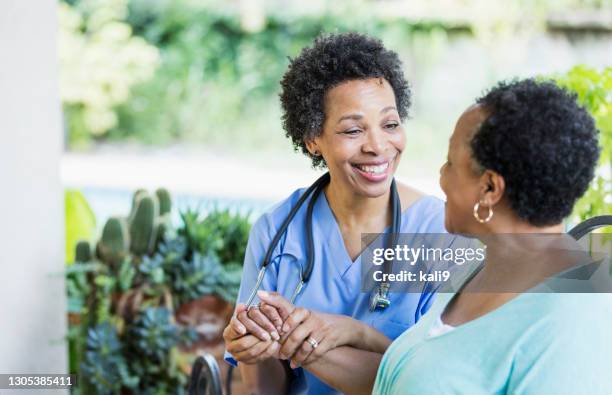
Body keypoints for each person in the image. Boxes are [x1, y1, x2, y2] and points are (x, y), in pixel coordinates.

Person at [222, 32, 454, 394]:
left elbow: (437, 380)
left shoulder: (441, 231)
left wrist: (336, 336)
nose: (378, 146)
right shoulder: (276, 231)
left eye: (390, 124)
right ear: (313, 138)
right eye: (353, 129)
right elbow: (263, 390)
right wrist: (258, 348)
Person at [373, 79, 612, 394]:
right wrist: (342, 339)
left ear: (488, 188)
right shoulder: (482, 269)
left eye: (450, 163)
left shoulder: (571, 325)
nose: (441, 176)